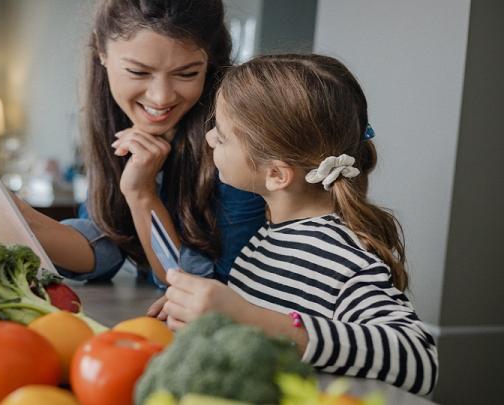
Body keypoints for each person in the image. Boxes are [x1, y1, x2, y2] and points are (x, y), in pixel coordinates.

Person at [159, 54, 438, 395]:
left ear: (276, 175)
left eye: (223, 135)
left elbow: (418, 357)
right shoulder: (270, 236)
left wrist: (252, 318)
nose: (209, 139)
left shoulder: (340, 259)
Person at [0, 0, 266, 287]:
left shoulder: (237, 144)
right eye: (139, 72)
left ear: (209, 64)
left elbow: (206, 289)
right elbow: (105, 246)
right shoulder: (116, 123)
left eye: (187, 74)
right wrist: (23, 219)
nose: (162, 96)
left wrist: (141, 195)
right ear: (101, 53)